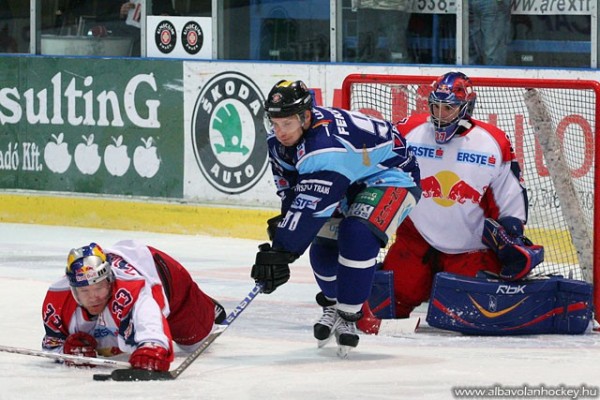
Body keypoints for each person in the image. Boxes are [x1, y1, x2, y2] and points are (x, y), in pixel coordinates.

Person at [358, 71, 543, 334]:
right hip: (416, 239)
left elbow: (509, 193)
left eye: (449, 108)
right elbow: (375, 163)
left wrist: (512, 231)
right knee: (387, 302)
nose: (440, 114)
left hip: (470, 247)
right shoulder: (409, 130)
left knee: (471, 318)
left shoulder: (492, 141)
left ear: (466, 107)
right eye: (436, 106)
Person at [250, 80, 421, 354]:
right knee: (324, 245)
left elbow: (312, 207)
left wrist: (282, 251)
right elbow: (293, 191)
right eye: (275, 123)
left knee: (357, 233)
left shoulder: (325, 148)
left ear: (306, 117)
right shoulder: (279, 143)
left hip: (391, 176)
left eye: (288, 124)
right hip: (349, 175)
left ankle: (349, 315)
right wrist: (287, 225)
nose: (280, 132)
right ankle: (331, 303)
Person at [41, 241, 226, 371]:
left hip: (164, 277)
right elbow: (52, 345)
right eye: (85, 291)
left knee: (195, 343)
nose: (94, 297)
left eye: (99, 287)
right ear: (73, 289)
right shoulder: (58, 299)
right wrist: (65, 350)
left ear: (110, 280)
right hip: (128, 276)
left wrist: (152, 347)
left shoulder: (130, 289)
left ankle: (207, 306)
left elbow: (150, 321)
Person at [468, 0, 512, 65]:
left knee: (492, 52)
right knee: (471, 51)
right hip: (466, 3)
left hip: (491, 3)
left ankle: (495, 74)